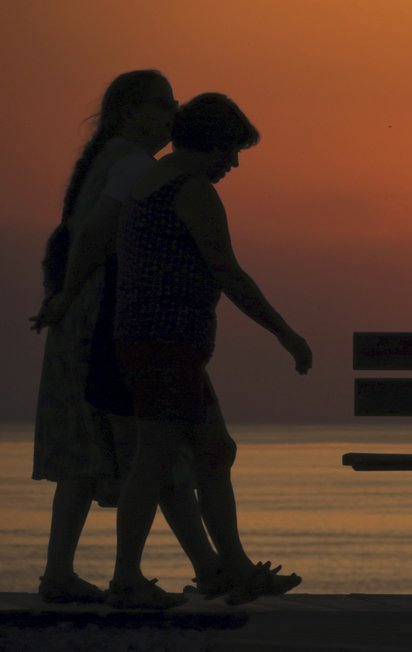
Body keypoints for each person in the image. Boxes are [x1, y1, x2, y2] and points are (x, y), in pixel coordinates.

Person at [108, 93, 312, 608]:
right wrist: (286, 334)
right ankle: (127, 577)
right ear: (212, 144)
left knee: (215, 450)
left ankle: (232, 568)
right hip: (166, 345)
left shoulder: (148, 181)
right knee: (153, 460)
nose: (235, 164)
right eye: (231, 151)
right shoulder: (192, 190)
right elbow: (230, 273)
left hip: (158, 343)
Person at [30, 70, 196, 604]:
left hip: (80, 312)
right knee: (147, 448)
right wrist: (68, 295)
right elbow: (93, 236)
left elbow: (75, 236)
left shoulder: (111, 159)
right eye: (161, 104)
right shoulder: (132, 164)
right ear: (129, 111)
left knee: (84, 450)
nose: (173, 114)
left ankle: (60, 573)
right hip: (100, 317)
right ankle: (185, 570)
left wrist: (61, 296)